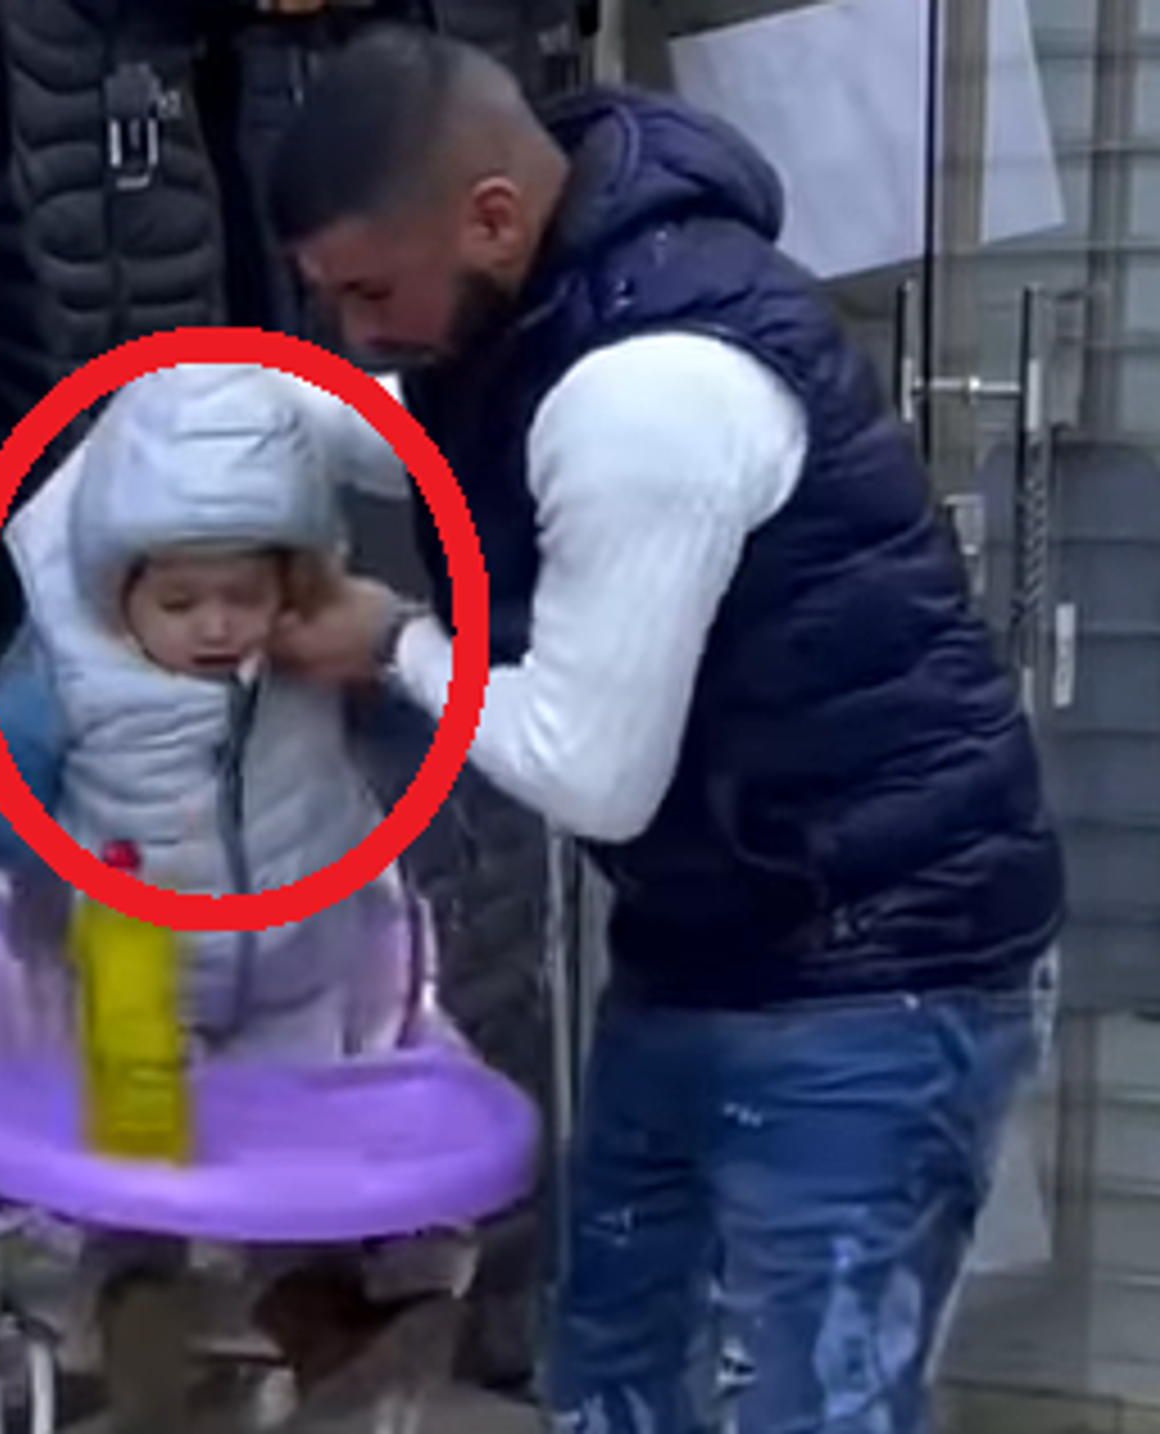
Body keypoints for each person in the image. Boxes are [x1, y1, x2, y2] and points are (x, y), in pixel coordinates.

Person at [257, 25, 1066, 1434]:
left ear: (492, 217)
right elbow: (404, 419)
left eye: (370, 292)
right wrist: (199, 432)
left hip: (884, 961)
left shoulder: (650, 388)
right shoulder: (530, 310)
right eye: (328, 300)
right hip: (708, 937)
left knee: (812, 1405)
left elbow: (592, 773)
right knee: (614, 1377)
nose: (356, 333)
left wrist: (393, 642)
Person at [0, 361, 462, 1430]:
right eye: (179, 602)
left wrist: (396, 658)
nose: (214, 625)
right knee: (138, 1193)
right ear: (116, 587)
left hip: (296, 951)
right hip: (134, 958)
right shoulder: (73, 671)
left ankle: (332, 1333)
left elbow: (415, 738)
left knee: (299, 1187)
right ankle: (146, 1360)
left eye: (242, 598)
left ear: (290, 584)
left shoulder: (311, 654)